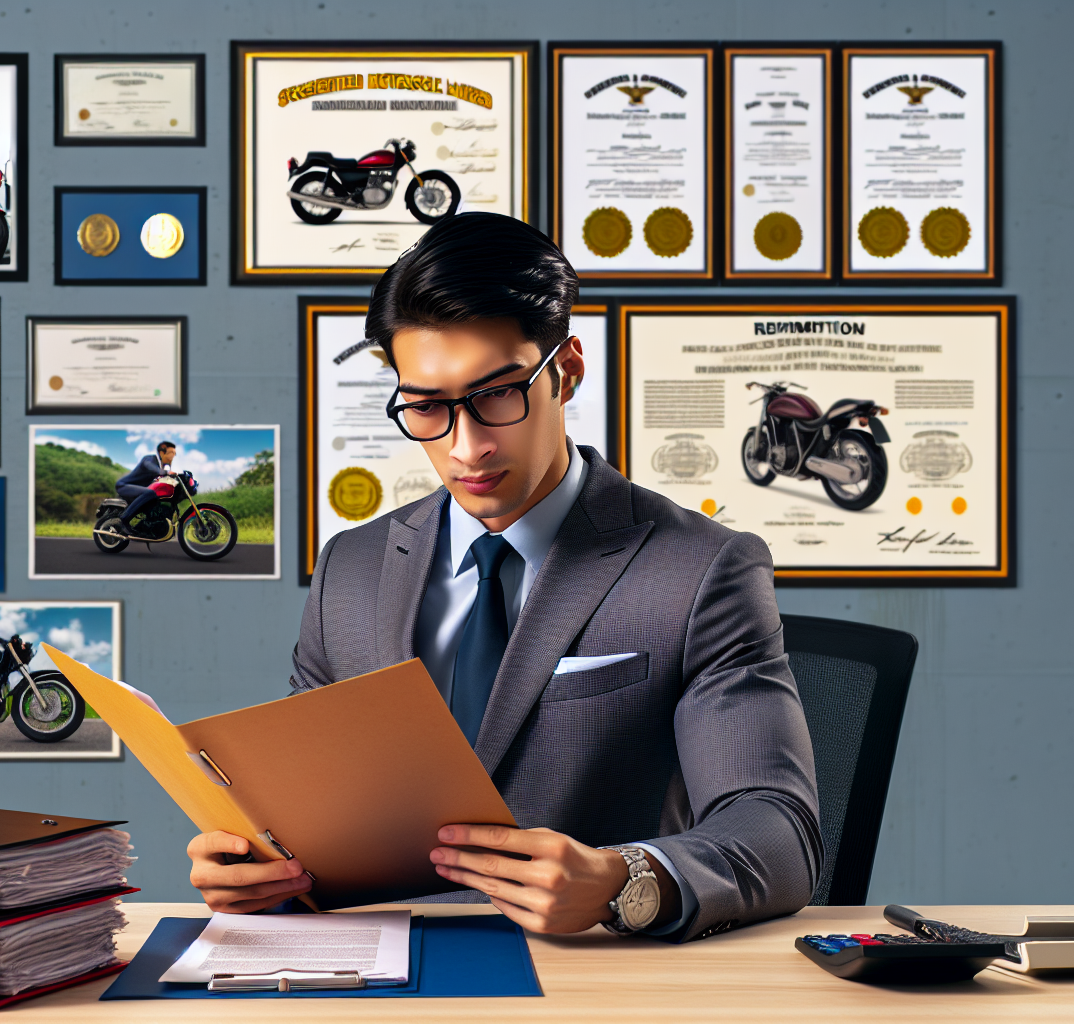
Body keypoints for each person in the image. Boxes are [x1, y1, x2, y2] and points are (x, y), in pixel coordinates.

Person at [186, 213, 821, 942]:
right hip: (379, 970)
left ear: (568, 371)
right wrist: (252, 861)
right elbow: (300, 811)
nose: (468, 447)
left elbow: (777, 832)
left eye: (497, 395)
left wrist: (626, 881)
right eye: (426, 407)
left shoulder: (701, 568)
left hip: (591, 980)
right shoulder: (350, 572)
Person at [115, 442, 176, 525]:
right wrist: (166, 472)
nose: (173, 456)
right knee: (150, 493)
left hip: (134, 488)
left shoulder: (159, 467)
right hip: (124, 485)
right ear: (162, 452)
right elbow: (149, 466)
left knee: (155, 502)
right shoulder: (150, 459)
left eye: (174, 453)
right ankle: (123, 520)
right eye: (171, 453)